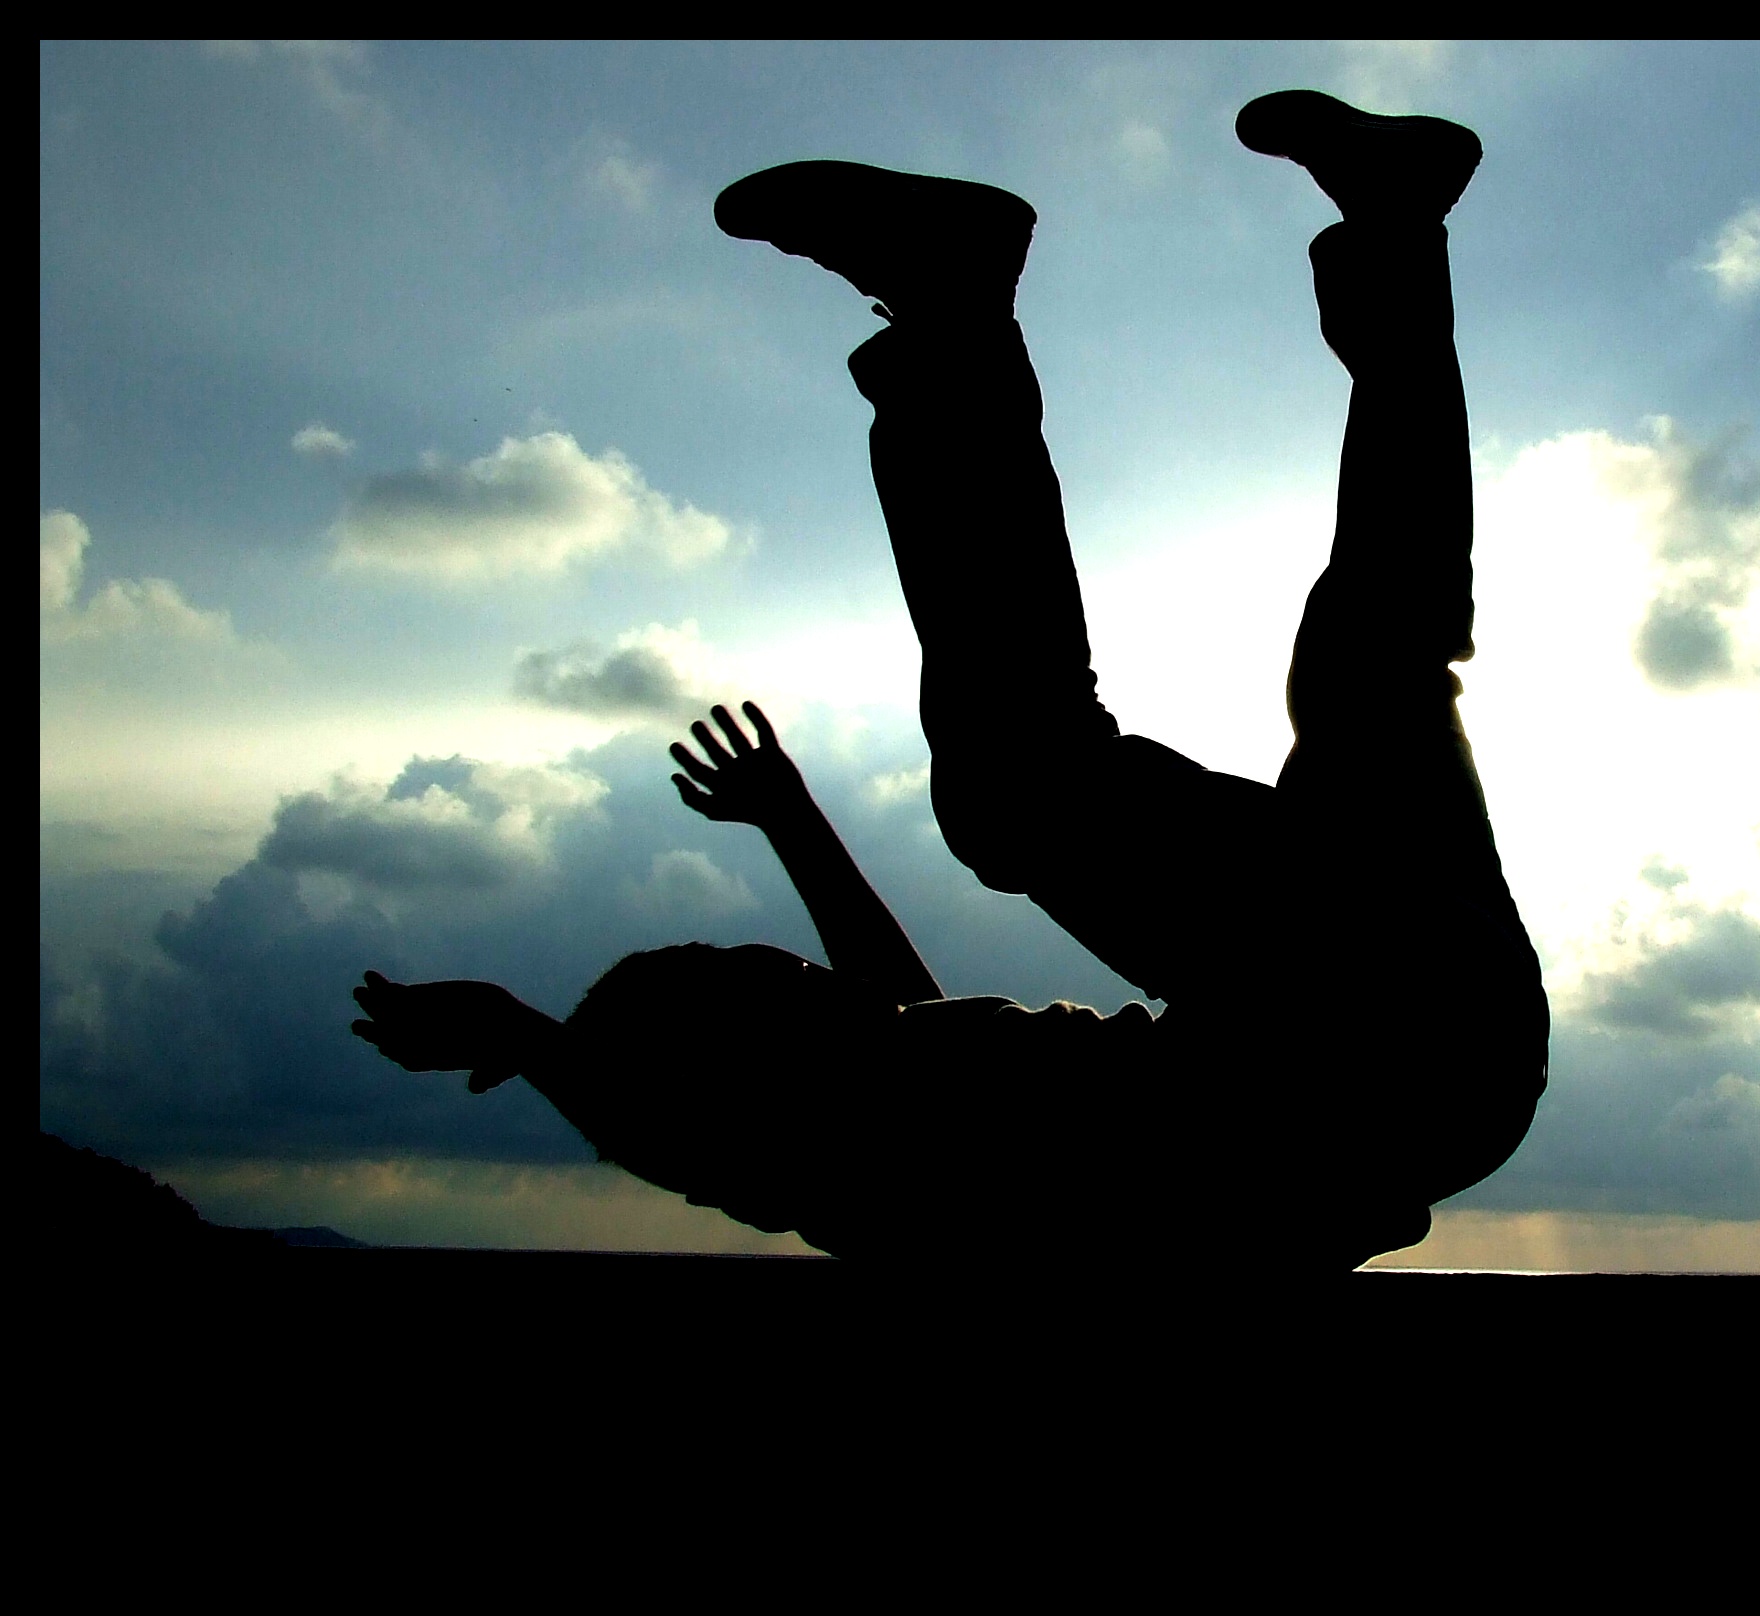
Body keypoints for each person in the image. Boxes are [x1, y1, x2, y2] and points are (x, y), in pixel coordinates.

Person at [351, 90, 1550, 1268]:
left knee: (1376, 665)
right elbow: (698, 1137)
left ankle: (1392, 225)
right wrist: (547, 1049)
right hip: (1351, 1055)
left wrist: (791, 826)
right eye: (756, 974)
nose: (797, 963)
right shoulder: (870, 1159)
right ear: (756, 1071)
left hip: (1422, 1027)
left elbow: (871, 1004)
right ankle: (949, 309)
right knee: (1022, 787)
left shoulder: (900, 1095)